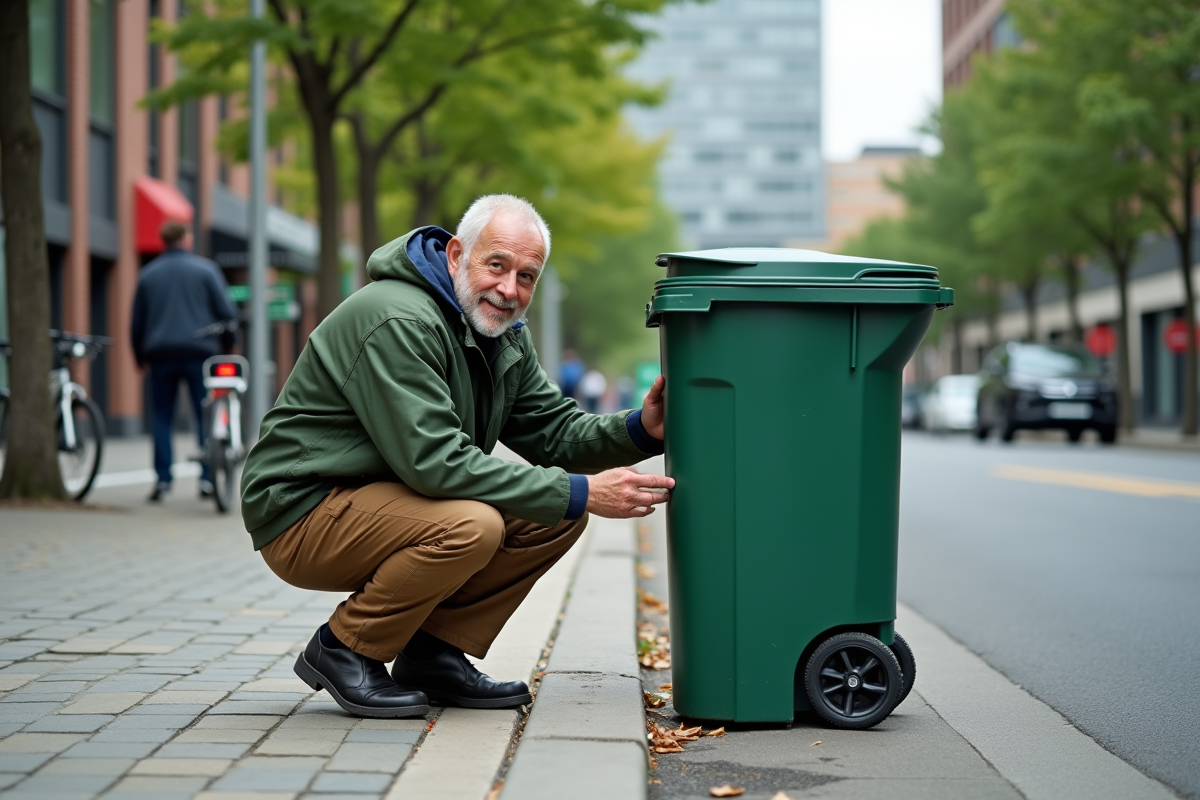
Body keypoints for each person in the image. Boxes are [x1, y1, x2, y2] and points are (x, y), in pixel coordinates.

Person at [240, 194, 674, 719]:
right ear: (454, 255)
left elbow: (553, 430)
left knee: (555, 518)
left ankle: (431, 653)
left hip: (382, 495)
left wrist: (641, 429)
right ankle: (344, 647)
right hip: (302, 508)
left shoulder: (502, 336)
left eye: (527, 276)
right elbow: (436, 463)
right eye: (496, 265)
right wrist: (583, 491)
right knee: (473, 525)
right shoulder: (397, 318)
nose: (509, 289)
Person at [131, 220, 238, 502]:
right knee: (205, 411)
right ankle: (207, 478)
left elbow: (137, 323)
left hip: (160, 353)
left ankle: (163, 481)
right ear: (187, 239)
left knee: (162, 416)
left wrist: (138, 357)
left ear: (163, 241)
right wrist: (228, 346)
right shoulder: (206, 270)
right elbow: (227, 314)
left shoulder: (147, 274)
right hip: (201, 352)